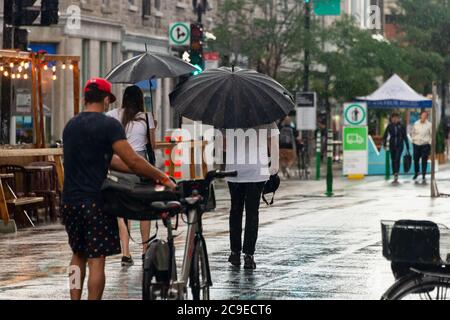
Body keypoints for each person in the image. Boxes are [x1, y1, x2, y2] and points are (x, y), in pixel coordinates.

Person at [62, 78, 176, 300]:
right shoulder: (108, 125)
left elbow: (111, 161)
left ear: (86, 98)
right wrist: (161, 176)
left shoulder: (71, 126)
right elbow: (132, 160)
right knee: (97, 259)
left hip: (70, 201)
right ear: (105, 99)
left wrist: (141, 171)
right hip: (95, 200)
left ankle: (74, 298)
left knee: (77, 255)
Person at [106, 85, 156, 267]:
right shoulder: (147, 117)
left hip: (119, 164)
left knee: (121, 211)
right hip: (140, 166)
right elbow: (153, 146)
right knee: (145, 208)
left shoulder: (113, 115)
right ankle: (145, 250)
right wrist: (152, 127)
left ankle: (125, 253)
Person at [224, 123, 279, 270]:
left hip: (234, 170)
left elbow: (222, 145)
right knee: (252, 212)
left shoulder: (229, 116)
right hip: (256, 170)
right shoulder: (265, 115)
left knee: (235, 211)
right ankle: (249, 255)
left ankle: (234, 252)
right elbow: (273, 142)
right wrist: (274, 169)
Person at [383, 112, 410, 183]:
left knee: (397, 158)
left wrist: (407, 146)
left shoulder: (401, 126)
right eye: (393, 118)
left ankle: (396, 173)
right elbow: (385, 135)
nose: (395, 119)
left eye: (396, 118)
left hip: (400, 145)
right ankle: (394, 172)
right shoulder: (389, 126)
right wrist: (384, 144)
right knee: (393, 159)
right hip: (392, 145)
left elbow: (405, 136)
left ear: (398, 119)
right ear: (391, 119)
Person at [411, 110, 432, 182]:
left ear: (427, 117)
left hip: (425, 145)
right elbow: (413, 132)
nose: (424, 116)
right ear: (420, 115)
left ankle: (423, 174)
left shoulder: (429, 124)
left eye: (425, 115)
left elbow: (431, 134)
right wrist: (413, 140)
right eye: (423, 115)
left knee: (424, 160)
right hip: (416, 144)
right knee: (416, 160)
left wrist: (430, 143)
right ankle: (416, 173)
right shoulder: (416, 123)